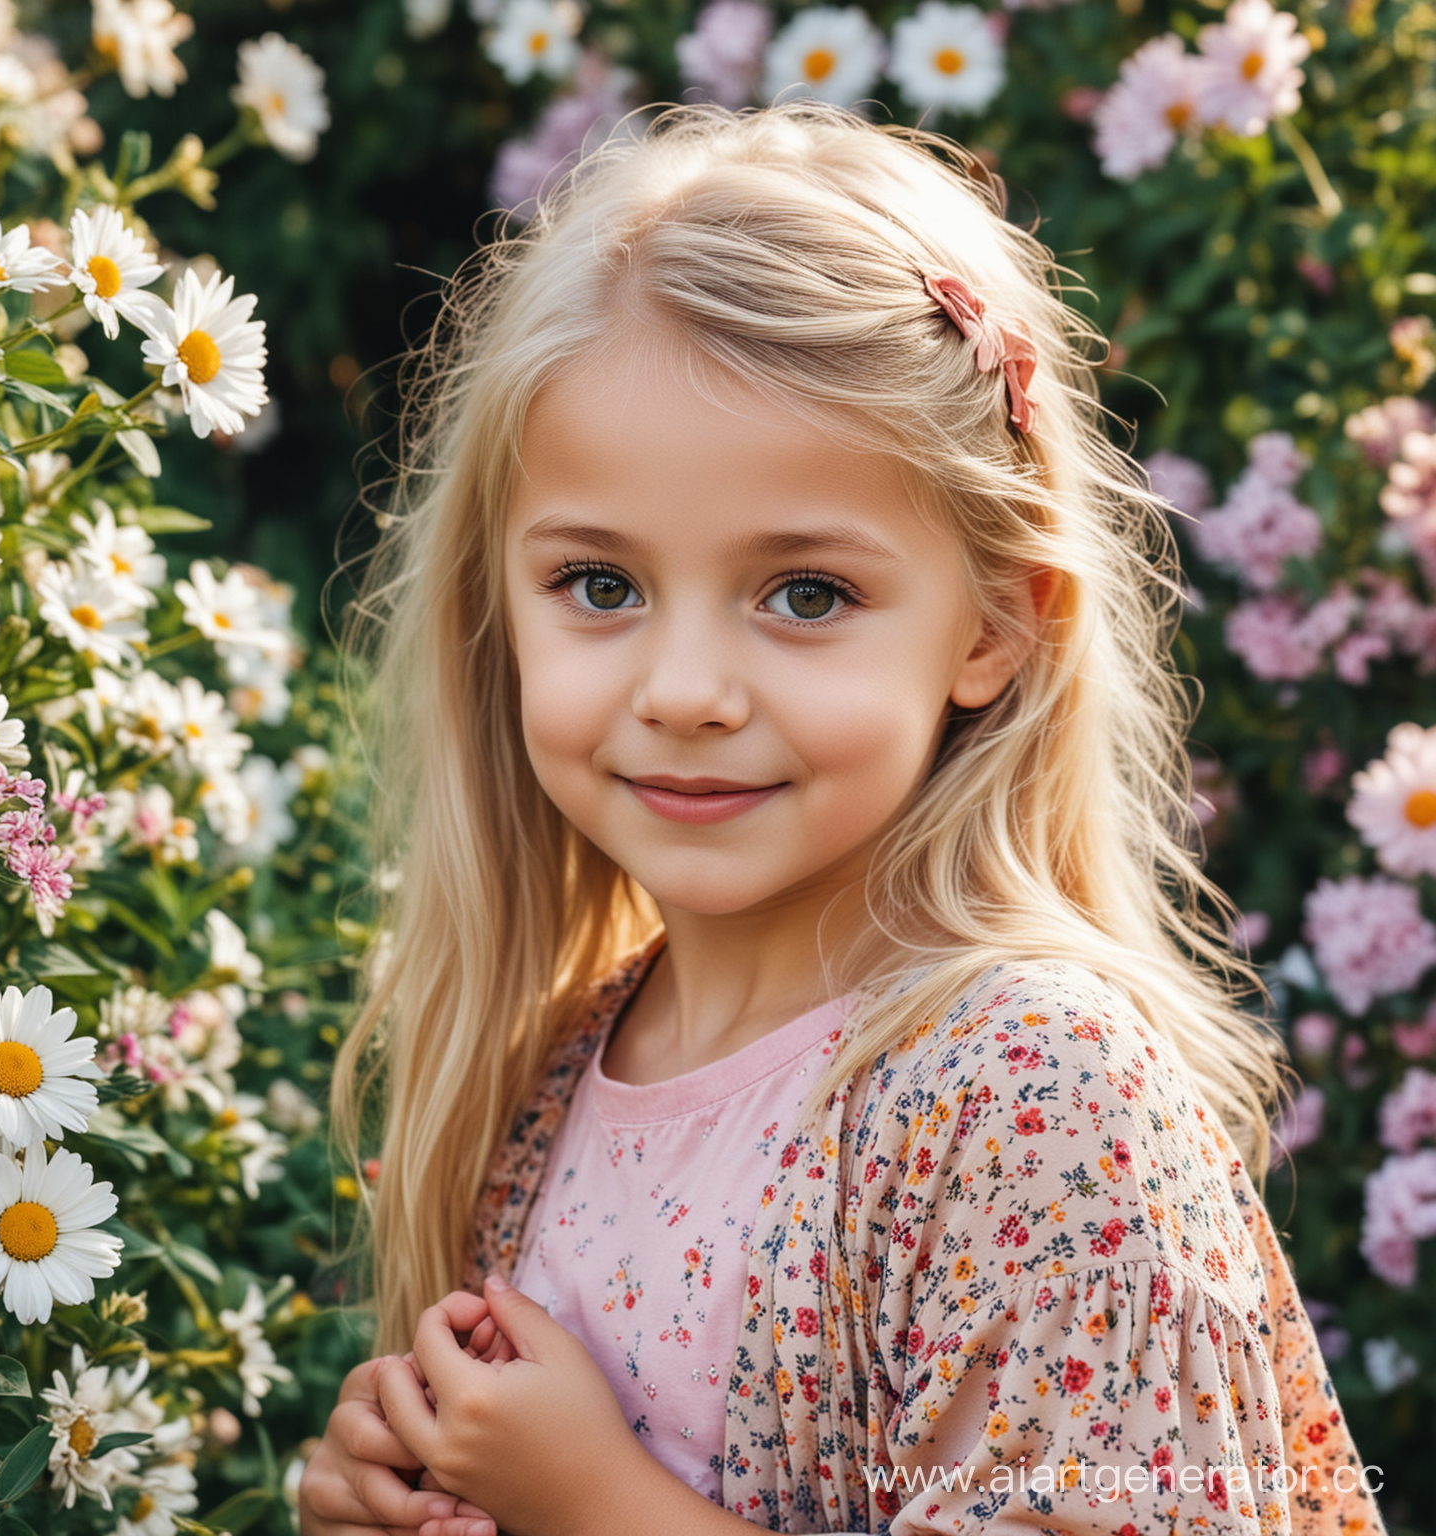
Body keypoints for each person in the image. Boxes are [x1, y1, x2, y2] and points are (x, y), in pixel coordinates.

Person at [298, 99, 1388, 1536]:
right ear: (494, 605)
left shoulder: (1030, 1096)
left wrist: (596, 1506)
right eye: (600, 585)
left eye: (806, 593)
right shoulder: (554, 1076)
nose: (684, 691)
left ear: (996, 626)